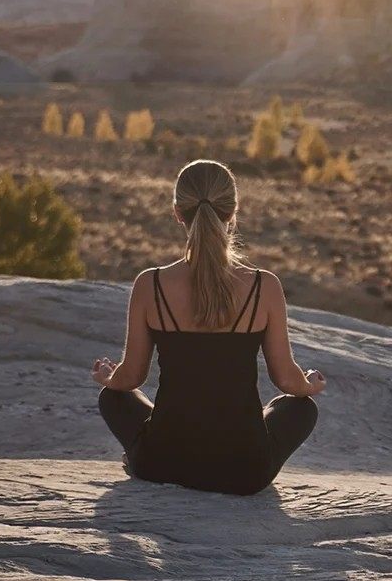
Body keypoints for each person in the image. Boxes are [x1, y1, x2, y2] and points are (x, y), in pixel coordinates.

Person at [94, 158, 325, 495]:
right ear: (232, 212)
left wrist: (108, 379)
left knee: (112, 399)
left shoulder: (150, 285)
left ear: (177, 212)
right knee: (300, 409)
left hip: (161, 463)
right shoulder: (264, 286)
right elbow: (287, 381)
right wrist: (310, 385)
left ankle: (140, 455)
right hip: (244, 471)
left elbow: (131, 379)